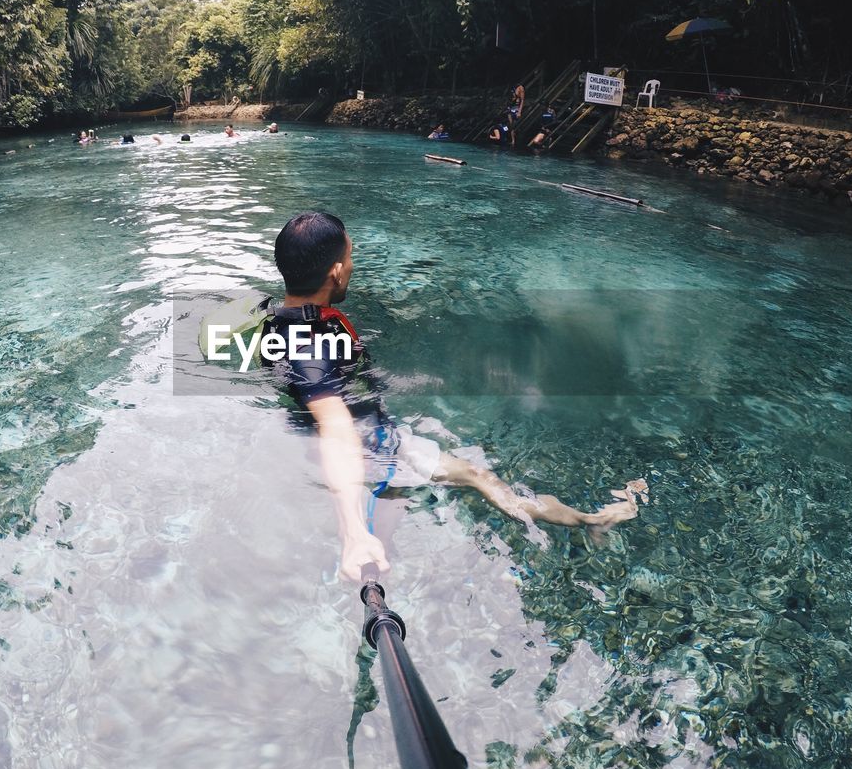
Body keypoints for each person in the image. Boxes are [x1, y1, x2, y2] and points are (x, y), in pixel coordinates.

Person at [260, 211, 646, 581]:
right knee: (476, 476)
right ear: (337, 271)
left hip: (343, 436)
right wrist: (352, 533)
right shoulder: (312, 347)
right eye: (351, 257)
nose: (353, 265)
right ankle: (592, 521)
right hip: (372, 448)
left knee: (423, 506)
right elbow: (335, 427)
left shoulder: (280, 320)